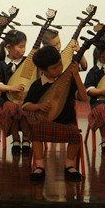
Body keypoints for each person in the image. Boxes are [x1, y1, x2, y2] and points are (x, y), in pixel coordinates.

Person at [22, 46, 88, 180]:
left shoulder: (68, 81)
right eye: (54, 68)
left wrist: (76, 75)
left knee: (75, 134)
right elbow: (26, 106)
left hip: (67, 121)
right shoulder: (38, 85)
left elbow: (83, 97)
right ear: (42, 70)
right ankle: (39, 165)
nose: (59, 69)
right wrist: (39, 106)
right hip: (45, 121)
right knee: (36, 131)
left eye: (60, 64)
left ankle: (69, 165)